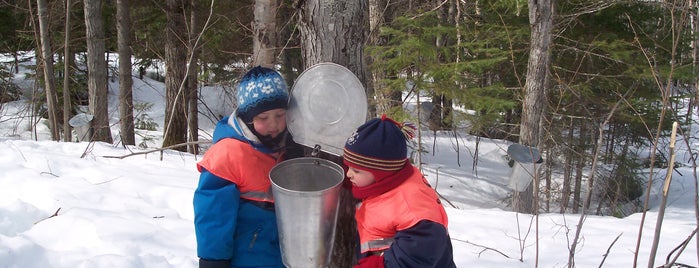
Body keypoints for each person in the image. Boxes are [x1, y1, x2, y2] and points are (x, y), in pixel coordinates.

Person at [193, 66, 301, 268]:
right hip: (245, 258)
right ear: (248, 118)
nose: (274, 124)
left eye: (280, 115)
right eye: (263, 118)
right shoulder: (228, 153)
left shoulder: (290, 147)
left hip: (284, 257)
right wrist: (213, 260)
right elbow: (213, 214)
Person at [342, 115, 457, 268]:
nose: (349, 174)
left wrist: (377, 265)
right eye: (347, 167)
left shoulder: (413, 209)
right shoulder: (389, 180)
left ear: (380, 172)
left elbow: (416, 257)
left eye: (356, 170)